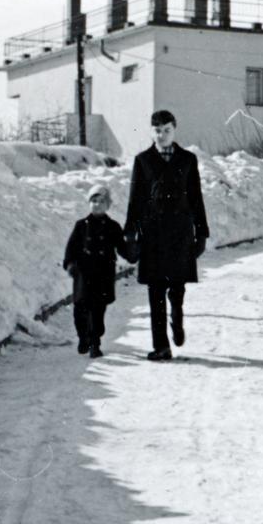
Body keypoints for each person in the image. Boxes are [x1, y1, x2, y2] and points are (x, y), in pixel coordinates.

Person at [124, 109, 210, 361]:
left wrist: (201, 233)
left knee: (177, 288)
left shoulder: (187, 160)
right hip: (152, 235)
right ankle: (161, 346)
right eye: (157, 130)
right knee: (155, 291)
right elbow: (135, 200)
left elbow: (196, 198)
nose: (161, 135)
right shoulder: (143, 160)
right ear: (152, 132)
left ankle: (177, 318)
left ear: (174, 130)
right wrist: (131, 233)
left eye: (166, 130)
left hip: (180, 233)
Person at [62, 182, 131, 358]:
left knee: (97, 310)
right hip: (83, 273)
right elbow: (71, 247)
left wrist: (134, 252)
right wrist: (70, 264)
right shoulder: (81, 225)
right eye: (93, 201)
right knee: (80, 309)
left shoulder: (113, 226)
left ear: (108, 205)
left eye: (101, 201)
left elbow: (122, 248)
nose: (97, 204)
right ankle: (83, 337)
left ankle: (95, 342)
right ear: (89, 203)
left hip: (103, 273)